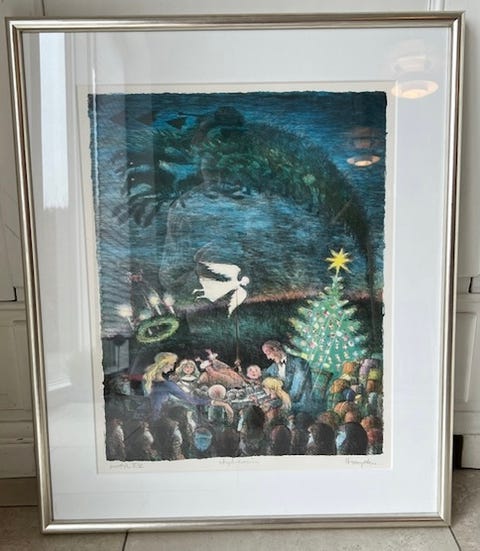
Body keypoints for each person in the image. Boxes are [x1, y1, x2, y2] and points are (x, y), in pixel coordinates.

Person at [261, 340, 312, 414]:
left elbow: (296, 394)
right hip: (284, 403)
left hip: (300, 406)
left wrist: (277, 401)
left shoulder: (299, 363)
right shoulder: (274, 367)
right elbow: (264, 375)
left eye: (268, 353)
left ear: (275, 349)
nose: (268, 358)